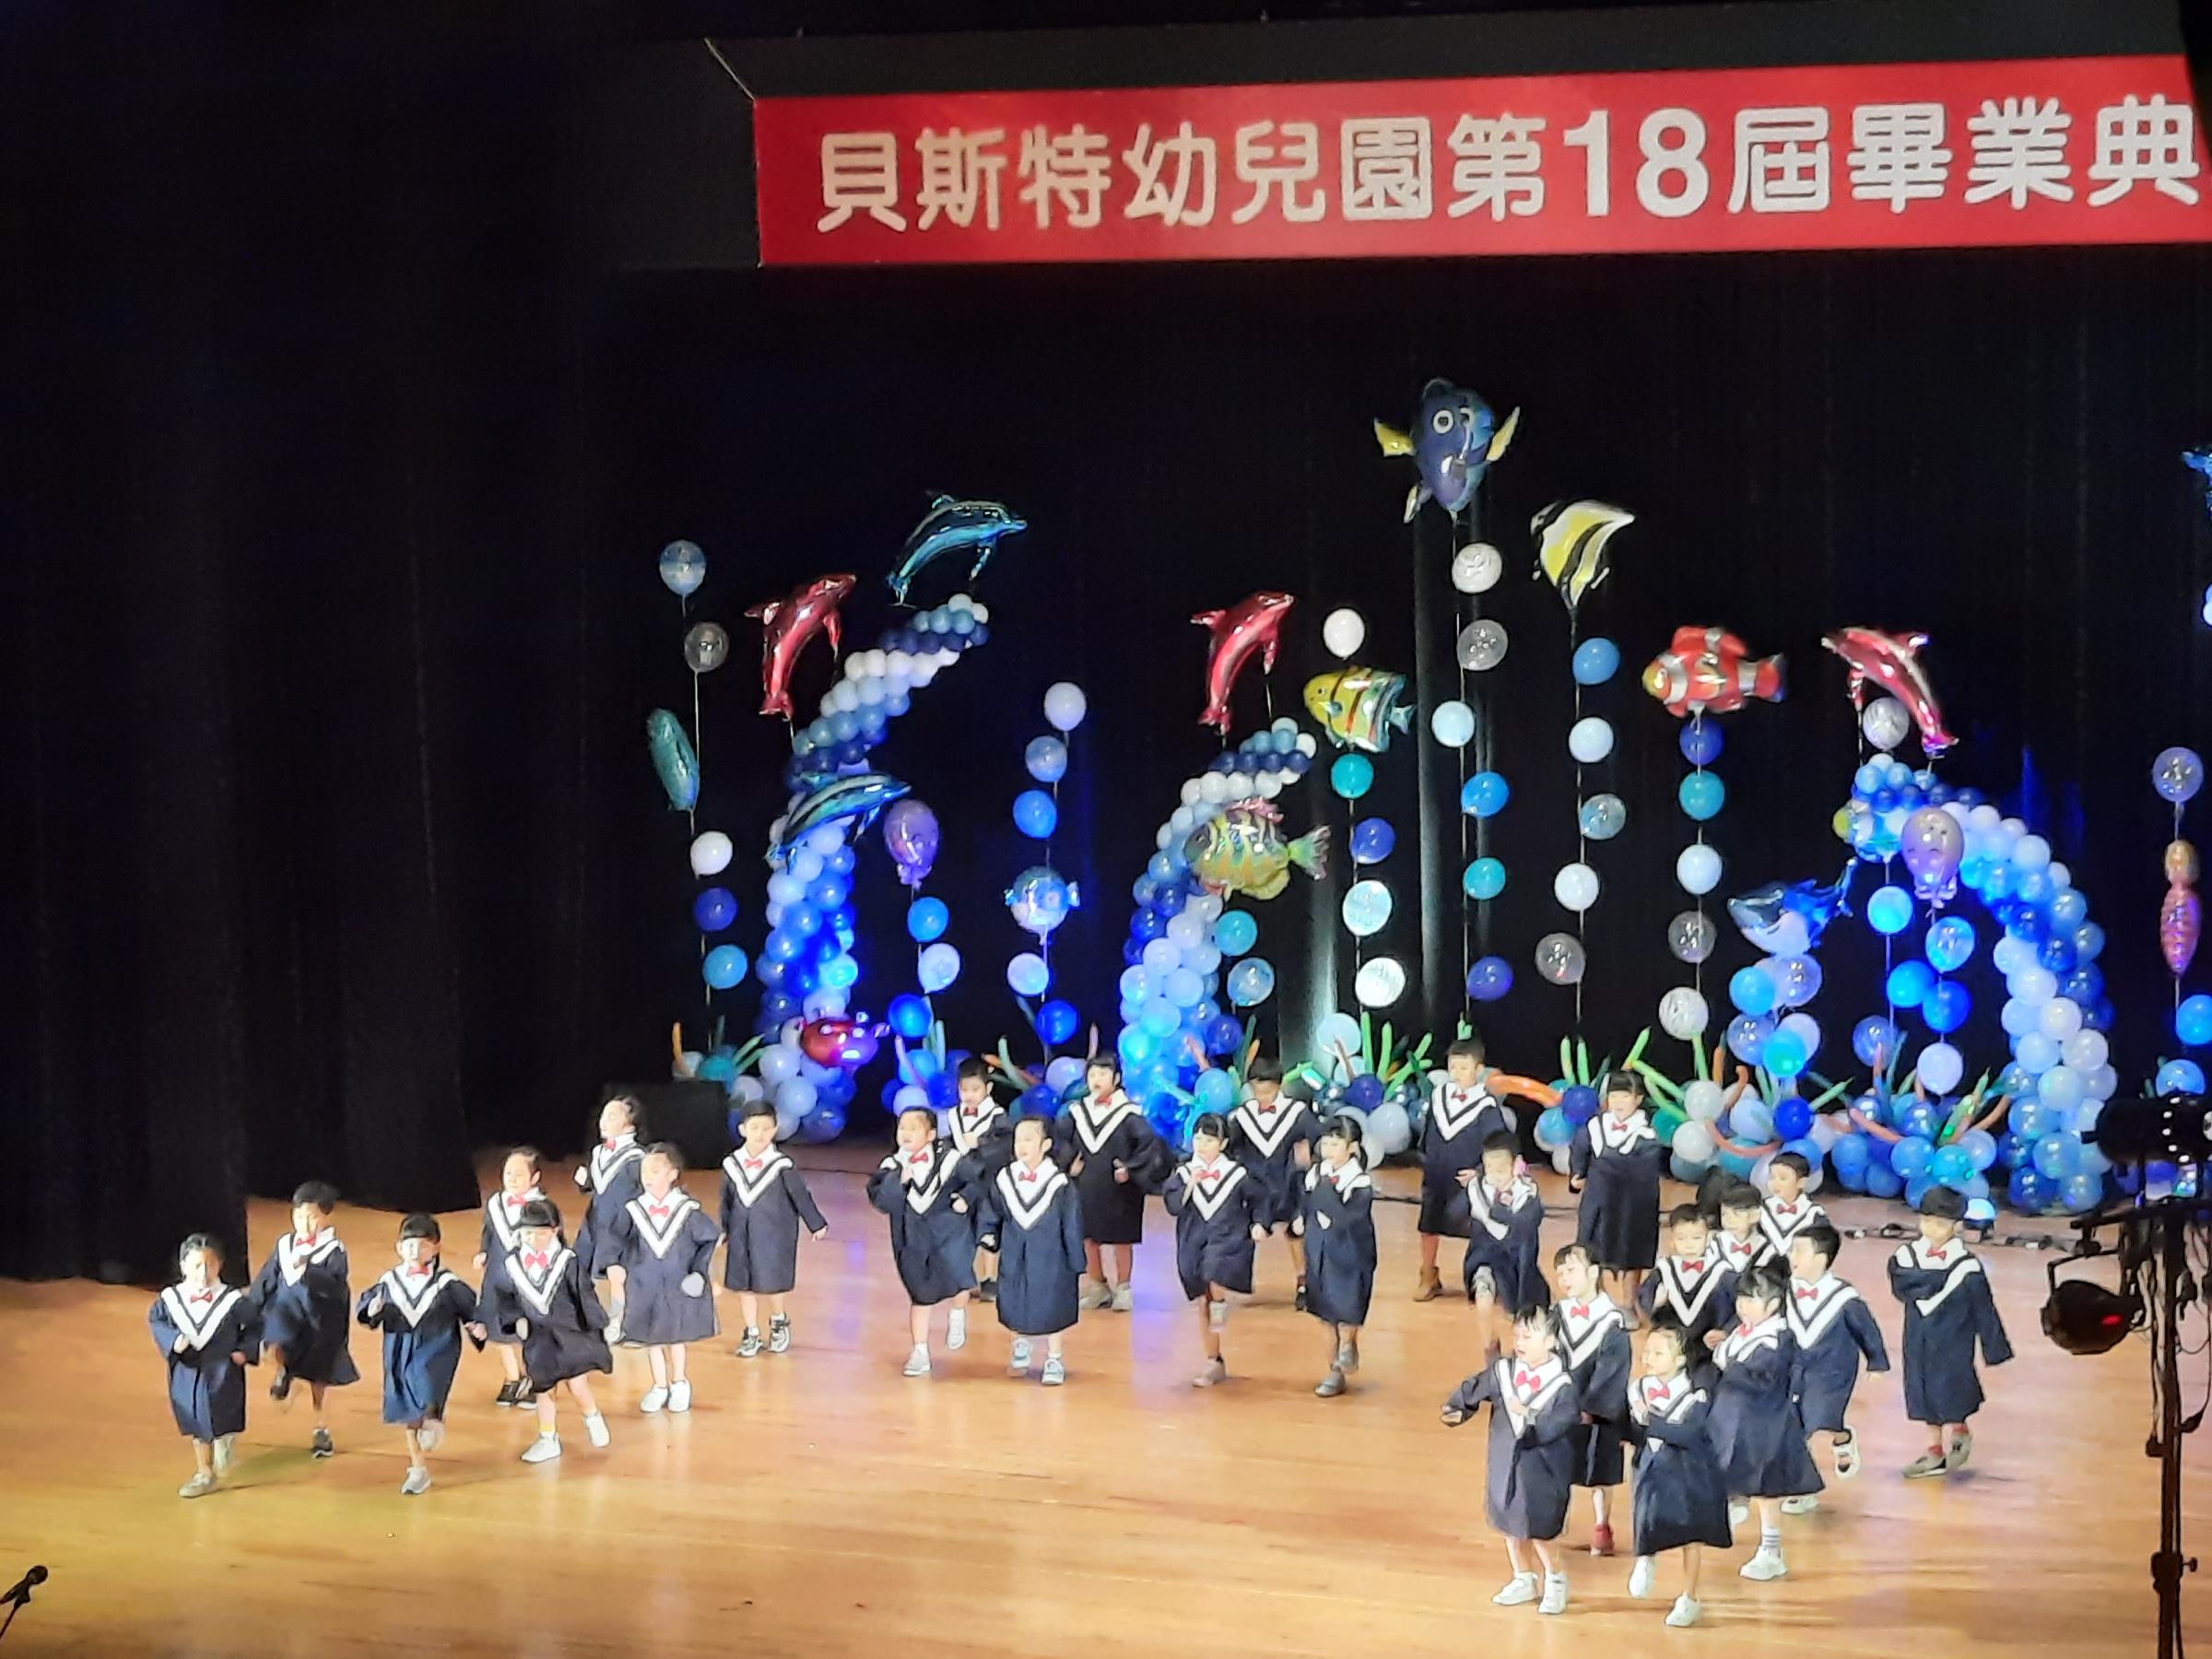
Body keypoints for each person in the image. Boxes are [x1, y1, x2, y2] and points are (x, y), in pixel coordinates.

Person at [1441, 1305, 1580, 1617]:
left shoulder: (1562, 1387)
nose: (1520, 1342)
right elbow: (1477, 1387)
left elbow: (1562, 1422)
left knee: (1540, 1529)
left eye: (1529, 1336)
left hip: (1542, 1467)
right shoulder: (1504, 1372)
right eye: (1517, 1335)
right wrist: (1458, 1407)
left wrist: (1530, 1420)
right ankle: (1523, 1577)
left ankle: (1555, 1579)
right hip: (1505, 1460)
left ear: (1551, 1341)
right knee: (1510, 1523)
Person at [1706, 1262, 1822, 1582]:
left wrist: (1731, 1366)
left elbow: (1764, 1376)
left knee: (1767, 1488)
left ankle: (1771, 1551)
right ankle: (1736, 1501)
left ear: (1773, 1305)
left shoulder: (1778, 1338)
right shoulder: (1742, 1332)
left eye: (1752, 1299)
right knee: (1727, 1465)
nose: (1743, 1306)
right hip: (1731, 1416)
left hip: (1765, 1423)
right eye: (1741, 1299)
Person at [355, 1214, 486, 1495]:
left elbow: (471, 1309)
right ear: (399, 1248)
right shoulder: (390, 1281)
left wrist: (477, 1326)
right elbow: (367, 1311)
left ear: (436, 1247)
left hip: (436, 1347)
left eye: (423, 1245)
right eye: (409, 1245)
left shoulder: (447, 1283)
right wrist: (372, 1311)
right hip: (399, 1348)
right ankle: (418, 1469)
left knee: (425, 1380)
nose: (415, 1251)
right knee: (408, 1411)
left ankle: (433, 1418)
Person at [1888, 1186, 2012, 1478]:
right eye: (1926, 1220)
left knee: (1952, 1388)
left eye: (1940, 1223)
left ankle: (1960, 1428)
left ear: (1957, 1226)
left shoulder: (1966, 1267)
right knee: (1922, 1391)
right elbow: (1901, 1287)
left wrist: (1994, 1347)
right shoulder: (1906, 1258)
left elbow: (1984, 1308)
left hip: (1954, 1337)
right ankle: (1934, 1451)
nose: (1932, 1229)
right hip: (1918, 1337)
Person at [479, 1198, 612, 1463]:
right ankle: (548, 1438)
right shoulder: (513, 1264)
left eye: (541, 1233)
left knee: (576, 1384)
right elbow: (505, 1297)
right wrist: (516, 1321)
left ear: (555, 1231)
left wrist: (597, 1324)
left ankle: (592, 1416)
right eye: (527, 1233)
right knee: (544, 1388)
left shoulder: (567, 1261)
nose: (533, 1239)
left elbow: (583, 1294)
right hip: (538, 1337)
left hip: (571, 1332)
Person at [1624, 1320, 1733, 1628]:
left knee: (1691, 1537)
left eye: (1658, 1353)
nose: (1649, 1358)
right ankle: (1645, 1558)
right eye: (1647, 1351)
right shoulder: (1638, 1388)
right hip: (1651, 1465)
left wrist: (1651, 1421)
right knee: (1645, 1516)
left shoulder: (1696, 1394)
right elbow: (1632, 1430)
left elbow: (1688, 1433)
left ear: (1680, 1360)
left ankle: (1689, 1597)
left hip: (1687, 1471)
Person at [603, 1142, 722, 1413]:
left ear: (673, 1174)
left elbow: (708, 1240)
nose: (648, 1176)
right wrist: (613, 1263)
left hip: (677, 1283)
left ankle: (679, 1382)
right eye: (645, 1170)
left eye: (656, 1170)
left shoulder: (687, 1210)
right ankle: (659, 1385)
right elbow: (614, 1239)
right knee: (651, 1338)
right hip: (644, 1282)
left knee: (675, 1336)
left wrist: (700, 1272)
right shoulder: (633, 1210)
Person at [867, 1105, 982, 1378]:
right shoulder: (892, 1166)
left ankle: (958, 1313)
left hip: (948, 1232)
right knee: (920, 1294)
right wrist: (900, 1180)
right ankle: (920, 1351)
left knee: (959, 1278)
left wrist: (965, 1198)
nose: (905, 1133)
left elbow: (978, 1180)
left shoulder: (951, 1160)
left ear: (931, 1135)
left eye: (913, 1128)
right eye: (902, 1127)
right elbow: (881, 1201)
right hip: (911, 1237)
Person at [250, 1180, 358, 1459]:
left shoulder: (334, 1249)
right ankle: (283, 1370)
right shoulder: (285, 1245)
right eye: (298, 1216)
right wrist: (250, 1307)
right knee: (274, 1339)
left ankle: (321, 1428)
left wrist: (308, 1270)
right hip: (286, 1309)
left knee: (318, 1378)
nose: (304, 1223)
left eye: (311, 1217)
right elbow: (267, 1278)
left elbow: (335, 1285)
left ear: (326, 1216)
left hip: (320, 1320)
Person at [976, 1114, 1085, 1386]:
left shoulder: (1059, 1183)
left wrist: (1075, 1259)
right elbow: (993, 1211)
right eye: (1018, 1140)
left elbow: (1071, 1222)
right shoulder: (1005, 1179)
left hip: (1052, 1256)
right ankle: (1020, 1345)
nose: (1021, 1145)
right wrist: (988, 1235)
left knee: (1053, 1303)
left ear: (1045, 1145)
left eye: (1028, 1139)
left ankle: (1054, 1358)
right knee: (1015, 1298)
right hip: (1015, 1251)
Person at [1785, 1220, 1889, 1504]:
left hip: (1832, 1370)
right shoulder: (1784, 1290)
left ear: (1821, 1259)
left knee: (1820, 1417)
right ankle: (1802, 1488)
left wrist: (1877, 1361)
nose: (1791, 1256)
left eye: (1799, 1251)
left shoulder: (1844, 1297)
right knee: (1794, 1426)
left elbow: (1866, 1329)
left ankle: (1842, 1438)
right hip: (1794, 1367)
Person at [150, 1233, 261, 1499]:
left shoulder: (232, 1300)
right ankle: (204, 1472)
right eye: (196, 1265)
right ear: (183, 1266)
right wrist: (173, 1340)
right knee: (196, 1419)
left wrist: (244, 1350)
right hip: (188, 1369)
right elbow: (157, 1321)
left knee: (221, 1414)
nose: (203, 1273)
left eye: (209, 1265)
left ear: (220, 1265)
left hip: (223, 1369)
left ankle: (225, 1439)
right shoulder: (171, 1300)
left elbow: (256, 1324)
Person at [1163, 1111, 1268, 1388]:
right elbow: (1173, 1205)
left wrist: (1260, 1223)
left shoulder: (1237, 1174)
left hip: (1228, 1236)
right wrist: (1191, 1184)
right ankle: (1213, 1360)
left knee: (1215, 1270)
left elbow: (1261, 1199)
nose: (1202, 1145)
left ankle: (1220, 1302)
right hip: (1194, 1237)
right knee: (1202, 1299)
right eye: (1198, 1139)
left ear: (1223, 1144)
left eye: (1209, 1140)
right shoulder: (1183, 1172)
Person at [1053, 1055, 1167, 1312]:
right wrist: (1068, 1165)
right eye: (1092, 1075)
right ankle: (1098, 1286)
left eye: (1103, 1074)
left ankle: (1123, 1287)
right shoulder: (1077, 1113)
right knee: (1088, 1236)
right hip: (1086, 1185)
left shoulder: (1129, 1114)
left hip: (1119, 1188)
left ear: (1116, 1079)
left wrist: (1131, 1169)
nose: (1097, 1080)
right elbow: (1063, 1142)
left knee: (1121, 1238)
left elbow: (1149, 1146)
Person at [718, 1100, 830, 1358]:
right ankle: (752, 1331)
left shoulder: (781, 1165)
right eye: (754, 1127)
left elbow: (800, 1195)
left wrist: (816, 1222)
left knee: (771, 1281)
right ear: (742, 1130)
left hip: (774, 1233)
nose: (760, 1134)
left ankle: (779, 1320)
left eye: (766, 1128)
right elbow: (727, 1200)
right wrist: (725, 1228)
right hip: (741, 1232)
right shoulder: (733, 1164)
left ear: (775, 1130)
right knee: (743, 1284)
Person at [1415, 1036, 1513, 1301]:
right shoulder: (1439, 1096)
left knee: (1478, 1227)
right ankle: (1428, 1274)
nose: (1457, 1073)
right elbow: (1428, 1133)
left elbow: (1498, 1144)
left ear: (1479, 1070)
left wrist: (1481, 1172)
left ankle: (1480, 1276)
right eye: (1453, 1066)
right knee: (1429, 1224)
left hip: (1469, 1180)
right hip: (1437, 1174)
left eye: (1464, 1067)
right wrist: (1426, 1158)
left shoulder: (1486, 1105)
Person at [1553, 1241, 1632, 1558]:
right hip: (1562, 1408)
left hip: (1598, 1413)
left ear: (1593, 1272)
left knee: (1600, 1469)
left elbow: (1613, 1370)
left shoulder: (1611, 1322)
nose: (1565, 1278)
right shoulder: (1557, 1315)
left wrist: (1590, 1407)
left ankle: (1602, 1525)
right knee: (1558, 1464)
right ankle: (1556, 1518)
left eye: (1571, 1270)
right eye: (1560, 1273)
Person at [1293, 1114, 1376, 1397]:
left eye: (1335, 1144)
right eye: (1325, 1143)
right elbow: (1305, 1202)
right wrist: (1301, 1218)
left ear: (1352, 1148)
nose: (1328, 1149)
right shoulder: (1315, 1173)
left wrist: (1327, 1190)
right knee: (1324, 1312)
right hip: (1319, 1248)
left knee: (1348, 1306)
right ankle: (1333, 1371)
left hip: (1351, 1252)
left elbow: (1348, 1218)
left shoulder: (1360, 1182)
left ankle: (1348, 1343)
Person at [1568, 1072, 1665, 1313]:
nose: (1618, 1102)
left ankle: (1628, 1304)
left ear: (1638, 1099)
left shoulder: (1646, 1135)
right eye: (1614, 1096)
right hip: (1598, 1201)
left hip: (1630, 1205)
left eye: (1625, 1096)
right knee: (1592, 1250)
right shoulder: (1595, 1126)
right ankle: (1593, 1300)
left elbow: (1644, 1171)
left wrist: (1604, 1165)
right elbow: (1579, 1149)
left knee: (1630, 1253)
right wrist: (1578, 1173)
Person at [1227, 1055, 1318, 1309]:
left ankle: (1304, 1283)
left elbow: (1318, 1139)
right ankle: (1235, 1280)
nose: (1262, 1098)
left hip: (1289, 1183)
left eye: (1267, 1092)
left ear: (1279, 1086)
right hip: (1256, 1186)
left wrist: (1309, 1155)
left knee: (1296, 1233)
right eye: (1257, 1092)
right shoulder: (1243, 1117)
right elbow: (1230, 1147)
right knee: (1244, 1232)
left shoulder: (1297, 1113)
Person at [476, 1145, 558, 1407]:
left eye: (519, 1174)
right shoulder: (496, 1204)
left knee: (528, 1332)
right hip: (498, 1276)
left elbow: (556, 1242)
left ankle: (533, 1379)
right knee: (500, 1330)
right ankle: (512, 1378)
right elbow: (489, 1232)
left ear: (535, 1178)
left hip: (528, 1280)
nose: (511, 1179)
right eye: (508, 1173)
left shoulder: (542, 1208)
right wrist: (483, 1252)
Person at [1453, 1130, 1547, 1324]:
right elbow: (1454, 1214)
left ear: (1516, 1165)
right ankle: (1489, 1337)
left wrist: (1500, 1212)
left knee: (1526, 1306)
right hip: (1486, 1254)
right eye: (1489, 1168)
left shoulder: (1527, 1192)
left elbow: (1528, 1222)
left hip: (1518, 1259)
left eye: (1501, 1170)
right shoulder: (1478, 1188)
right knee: (1483, 1290)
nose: (1495, 1176)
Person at [1640, 1205, 1732, 1383]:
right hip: (1670, 1352)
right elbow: (1644, 1298)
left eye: (1696, 1238)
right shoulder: (1664, 1270)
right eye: (1681, 1238)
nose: (1689, 1245)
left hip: (1708, 1351)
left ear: (1708, 1239)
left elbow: (1737, 1306)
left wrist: (1725, 1331)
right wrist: (1656, 1303)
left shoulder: (1722, 1273)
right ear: (1672, 1241)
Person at [947, 1057, 1013, 1300]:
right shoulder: (955, 1115)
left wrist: (981, 1143)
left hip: (988, 1181)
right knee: (965, 1229)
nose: (969, 1095)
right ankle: (972, 1278)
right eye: (964, 1089)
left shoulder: (997, 1116)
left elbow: (1005, 1145)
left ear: (988, 1088)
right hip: (963, 1179)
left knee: (988, 1229)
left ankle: (991, 1279)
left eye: (975, 1089)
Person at [572, 1092, 646, 1291]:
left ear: (630, 1126)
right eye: (603, 1115)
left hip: (621, 1226)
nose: (603, 1121)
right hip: (595, 1223)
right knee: (583, 1273)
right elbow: (600, 1187)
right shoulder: (598, 1153)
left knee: (617, 1277)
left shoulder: (637, 1158)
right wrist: (585, 1182)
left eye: (612, 1116)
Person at [1758, 1152, 1828, 1260]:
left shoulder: (1814, 1213)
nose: (1775, 1183)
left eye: (1783, 1178)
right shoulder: (1761, 1209)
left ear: (1801, 1182)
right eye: (1772, 1177)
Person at [1714, 1182, 1771, 1278]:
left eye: (1736, 1214)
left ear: (1755, 1215)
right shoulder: (1716, 1242)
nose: (1728, 1220)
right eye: (1724, 1213)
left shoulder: (1765, 1246)